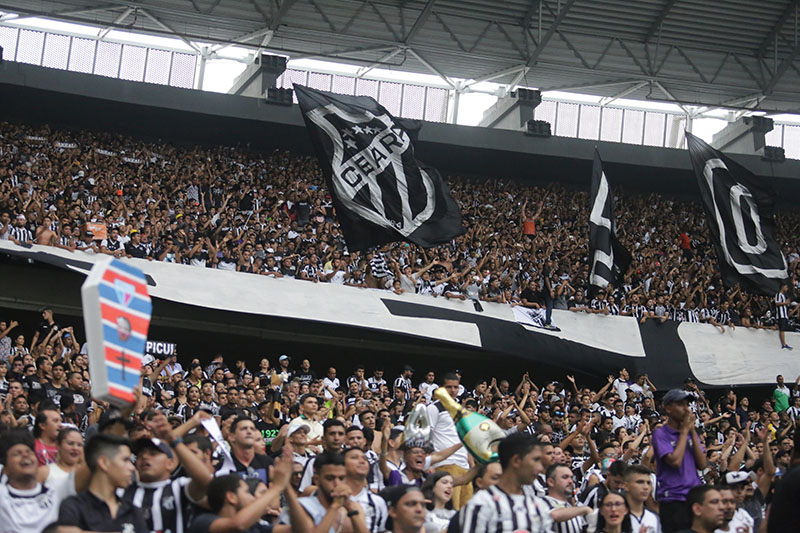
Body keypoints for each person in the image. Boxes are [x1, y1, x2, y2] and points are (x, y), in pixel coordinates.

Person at [459, 434, 553, 532]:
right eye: (536, 460)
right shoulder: (481, 504)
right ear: (516, 461)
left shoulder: (538, 506)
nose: (540, 467)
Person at [56, 433, 146, 532]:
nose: (132, 467)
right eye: (125, 460)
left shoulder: (133, 511)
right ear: (104, 463)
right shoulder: (73, 507)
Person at [0, 429, 84, 533]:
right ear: (5, 469)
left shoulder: (53, 493)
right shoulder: (2, 496)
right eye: (17, 454)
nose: (26, 455)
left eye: (29, 452)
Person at [191, 449, 291, 533]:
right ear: (231, 497)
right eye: (247, 492)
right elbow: (237, 525)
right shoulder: (204, 522)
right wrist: (276, 488)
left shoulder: (253, 526)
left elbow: (297, 529)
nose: (252, 498)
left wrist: (286, 486)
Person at [653, 389, 707, 533]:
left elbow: (702, 464)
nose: (686, 409)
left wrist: (692, 431)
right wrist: (684, 432)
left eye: (687, 405)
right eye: (681, 404)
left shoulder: (690, 432)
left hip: (694, 496)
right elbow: (674, 461)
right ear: (668, 408)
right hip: (673, 498)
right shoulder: (661, 433)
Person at [278, 451, 369, 533]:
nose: (336, 483)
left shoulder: (354, 507)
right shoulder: (301, 507)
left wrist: (351, 509)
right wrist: (334, 506)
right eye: (330, 478)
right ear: (316, 480)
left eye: (341, 478)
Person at [428, 372, 472, 509]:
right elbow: (426, 436)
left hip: (464, 466)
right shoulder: (433, 408)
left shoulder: (460, 410)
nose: (453, 391)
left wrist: (471, 464)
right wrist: (429, 463)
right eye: (449, 387)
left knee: (466, 513)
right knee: (450, 512)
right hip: (445, 464)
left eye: (456, 387)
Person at [343, 446, 388, 532]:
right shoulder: (329, 498)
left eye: (364, 458)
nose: (362, 461)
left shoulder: (377, 501)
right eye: (354, 458)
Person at [542, 464, 592, 533]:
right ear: (551, 482)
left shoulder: (570, 508)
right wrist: (585, 509)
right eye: (565, 477)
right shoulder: (542, 502)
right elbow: (554, 515)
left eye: (571, 478)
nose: (570, 481)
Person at [623, 464, 661, 533]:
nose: (646, 487)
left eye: (648, 483)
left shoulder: (653, 517)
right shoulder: (615, 514)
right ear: (626, 485)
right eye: (640, 482)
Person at [775, 283, 793, 350]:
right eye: (786, 287)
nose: (787, 289)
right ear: (783, 287)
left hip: (784, 315)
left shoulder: (783, 296)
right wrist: (785, 303)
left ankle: (784, 343)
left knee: (784, 329)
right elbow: (777, 303)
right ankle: (784, 344)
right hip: (781, 315)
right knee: (782, 329)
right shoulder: (778, 294)